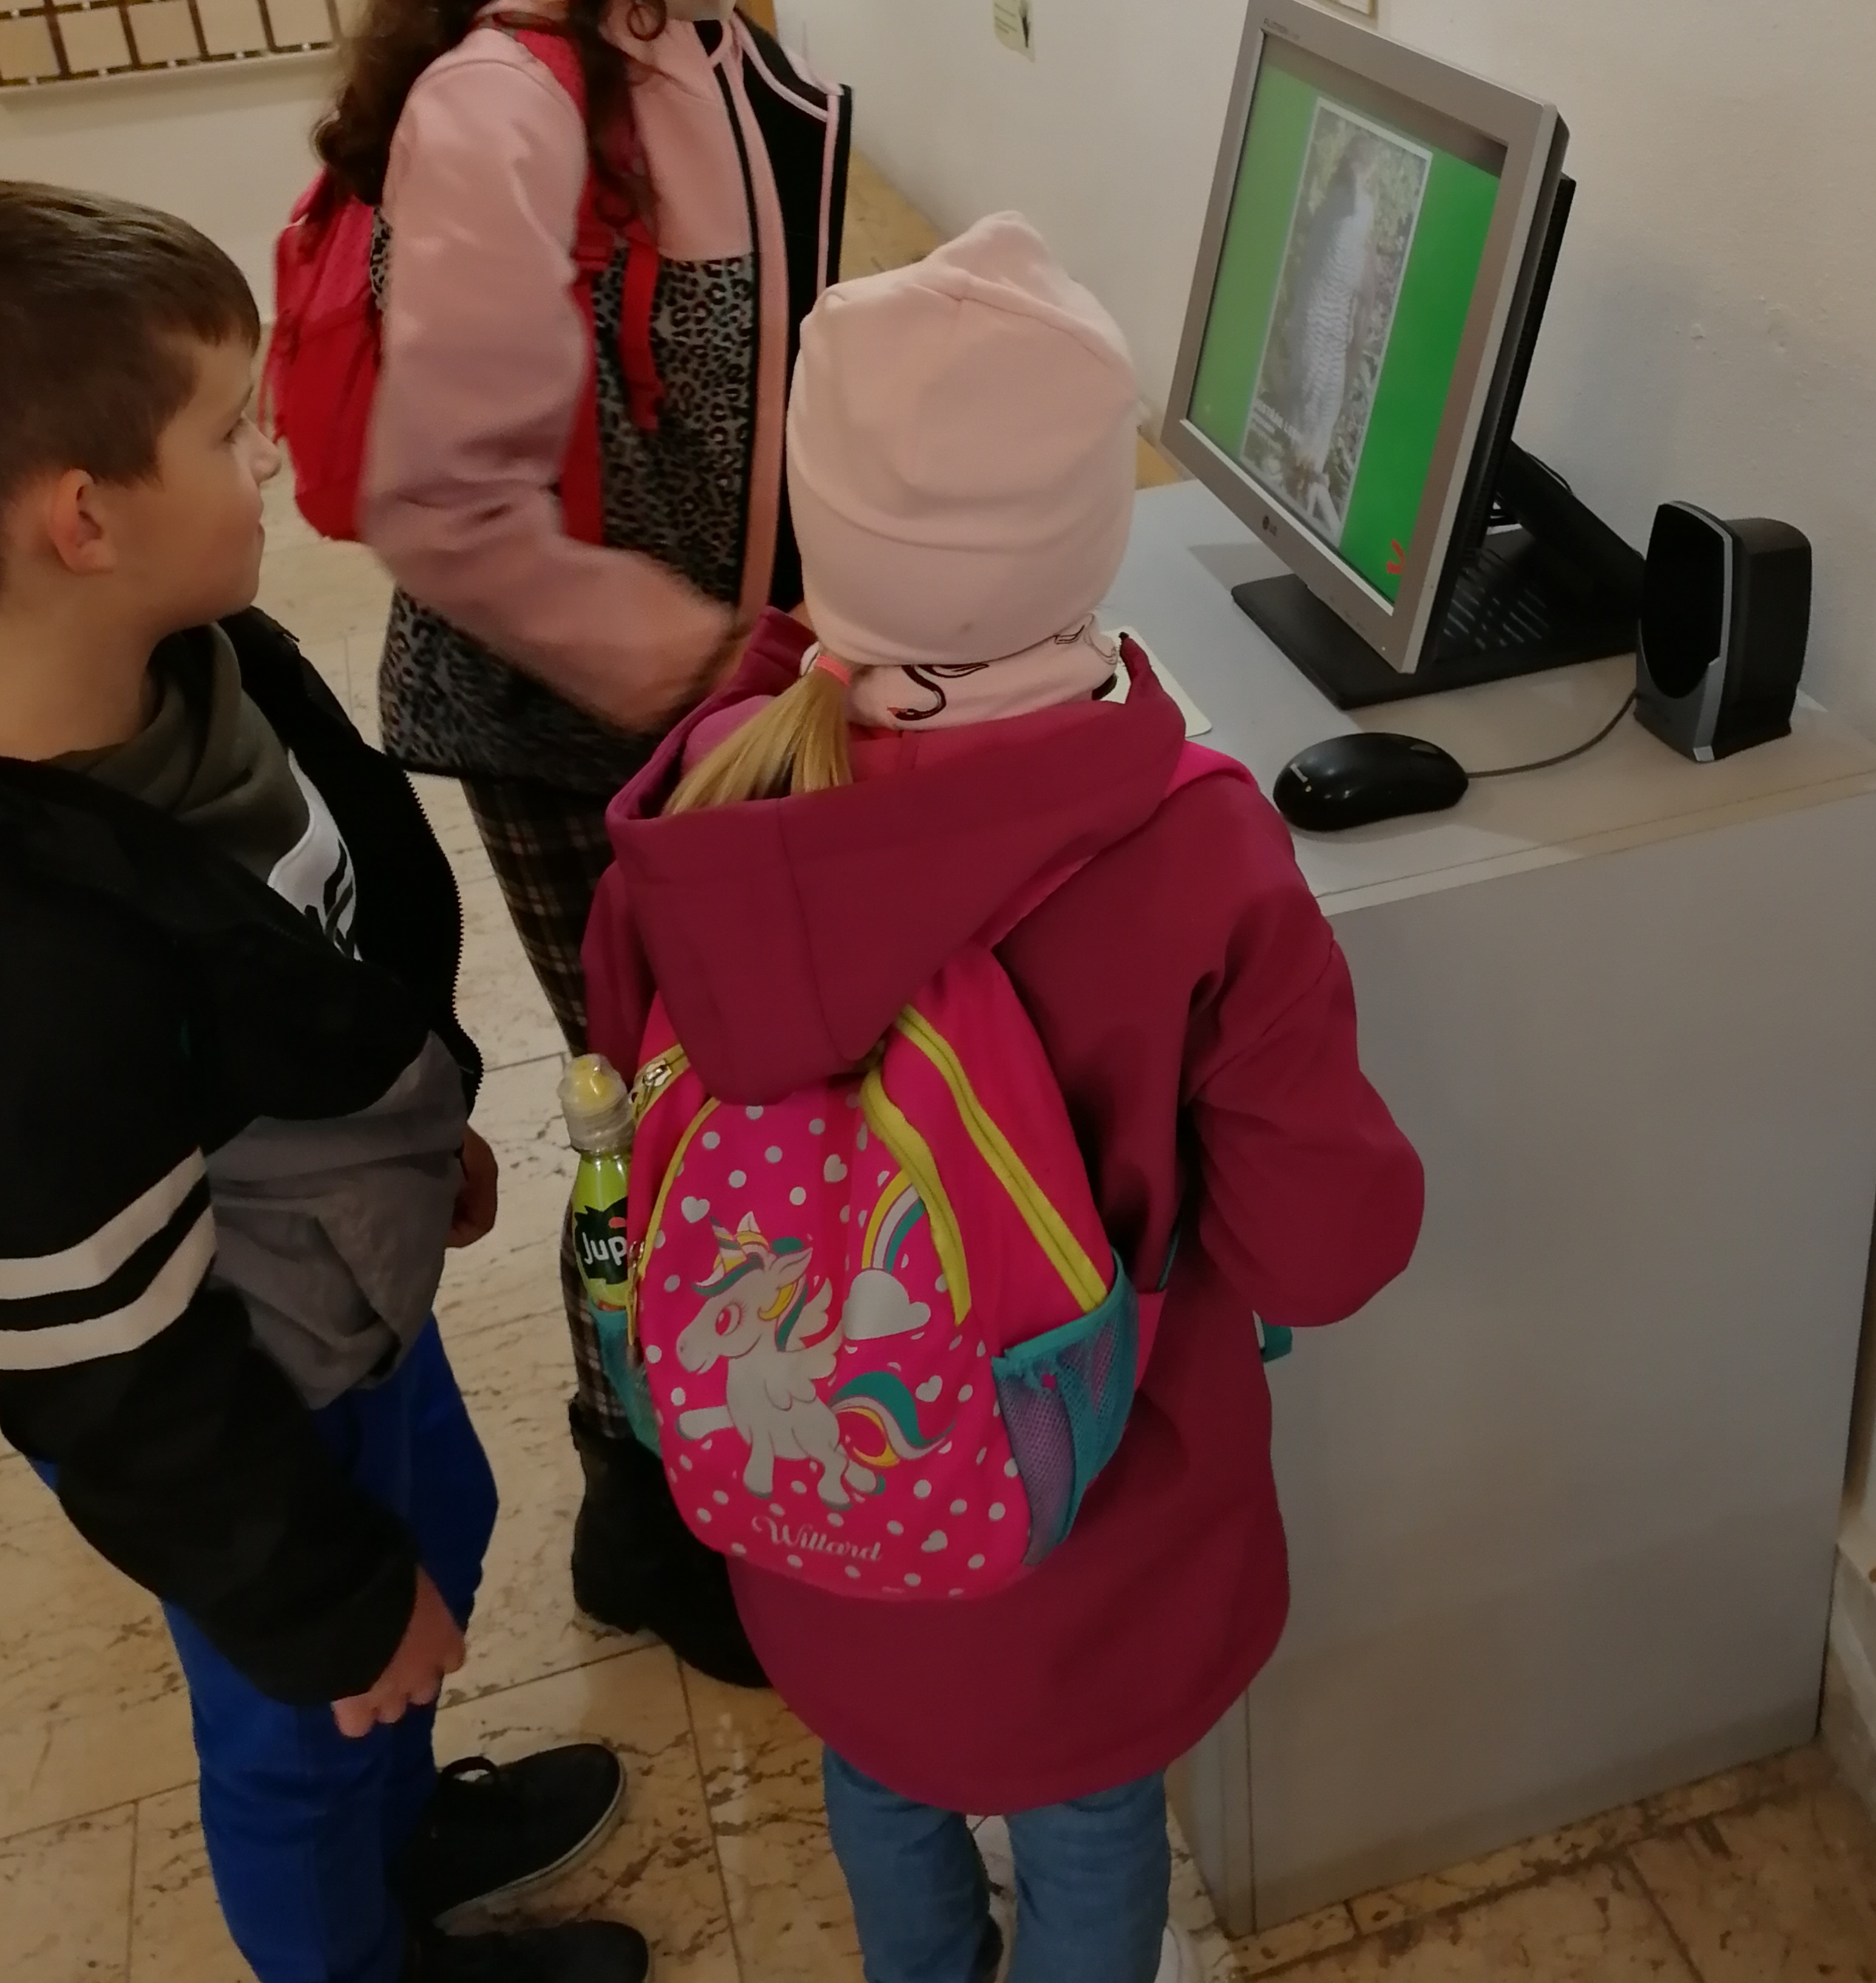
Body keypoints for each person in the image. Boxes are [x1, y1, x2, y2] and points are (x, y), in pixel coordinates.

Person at [582, 214, 1428, 1983]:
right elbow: (1324, 1248)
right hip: (1091, 1530)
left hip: (816, 1496)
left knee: (881, 1771)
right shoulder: (1194, 843)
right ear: (1095, 536)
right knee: (1090, 1814)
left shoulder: (713, 783)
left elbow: (633, 1051)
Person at [0, 184, 647, 1983]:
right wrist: (316, 1596)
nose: (268, 455)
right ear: (84, 519)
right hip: (242, 1413)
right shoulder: (18, 962)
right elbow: (112, 1372)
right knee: (308, 1716)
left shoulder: (205, 668)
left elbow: (334, 952)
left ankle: (406, 1835)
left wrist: (416, 1129)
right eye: (228, 429)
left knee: (445, 1534)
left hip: (352, 1288)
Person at [314, 0, 853, 1675]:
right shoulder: (512, 101)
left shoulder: (701, 30)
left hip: (694, 690)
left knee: (718, 1106)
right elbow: (446, 508)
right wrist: (713, 668)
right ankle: (643, 1505)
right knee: (653, 1127)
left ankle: (707, 1461)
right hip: (563, 718)